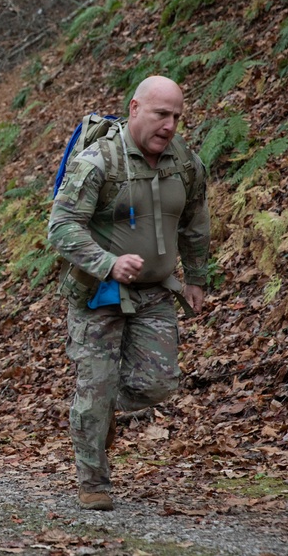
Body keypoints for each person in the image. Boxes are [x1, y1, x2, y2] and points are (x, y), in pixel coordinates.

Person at [47, 75, 209, 511]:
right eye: (161, 114)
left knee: (159, 383)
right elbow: (61, 227)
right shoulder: (99, 161)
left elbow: (195, 220)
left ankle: (98, 409)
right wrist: (107, 263)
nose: (169, 125)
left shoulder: (185, 162)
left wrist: (196, 277)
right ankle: (93, 482)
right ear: (135, 109)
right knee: (95, 385)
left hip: (154, 292)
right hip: (98, 293)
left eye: (176, 117)